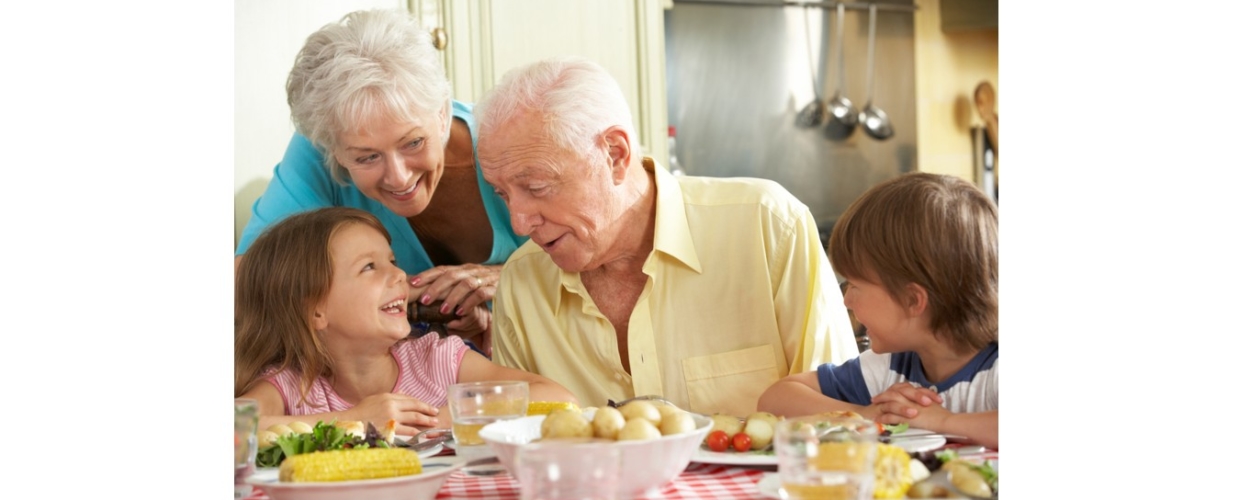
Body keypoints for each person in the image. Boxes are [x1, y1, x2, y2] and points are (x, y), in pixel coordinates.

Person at [473, 57, 859, 417]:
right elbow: (523, 454)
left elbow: (836, 421)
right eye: (503, 194)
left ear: (615, 154)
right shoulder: (523, 282)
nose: (519, 224)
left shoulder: (768, 226)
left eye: (537, 187)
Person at [235, 9, 524, 352]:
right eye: (367, 157)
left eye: (413, 142)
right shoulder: (320, 150)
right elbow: (243, 286)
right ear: (334, 150)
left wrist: (515, 277)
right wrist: (406, 294)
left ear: (442, 114)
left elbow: (599, 253)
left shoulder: (511, 142)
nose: (399, 177)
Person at [234, 207, 576, 435]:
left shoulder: (437, 360)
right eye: (369, 267)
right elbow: (234, 426)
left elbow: (557, 396)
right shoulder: (293, 385)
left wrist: (438, 419)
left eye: (392, 260)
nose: (398, 274)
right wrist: (353, 421)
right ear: (315, 311)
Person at [757, 172, 998, 449]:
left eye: (856, 286)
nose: (846, 301)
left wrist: (941, 422)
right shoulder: (891, 367)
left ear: (912, 300)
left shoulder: (996, 366)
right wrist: (866, 415)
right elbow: (776, 398)